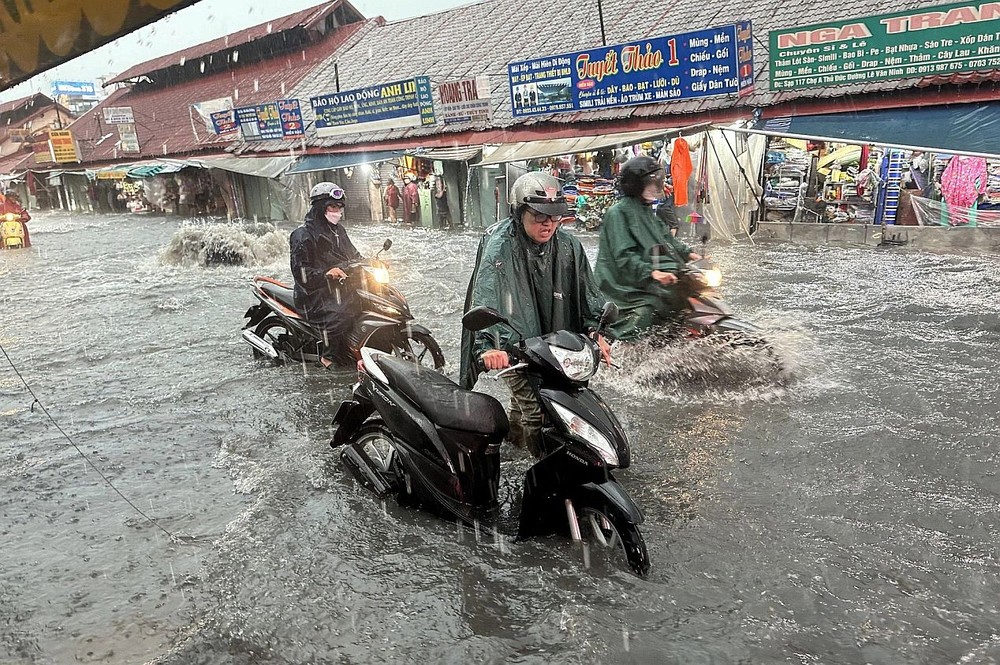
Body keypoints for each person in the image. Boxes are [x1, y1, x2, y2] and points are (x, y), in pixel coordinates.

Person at [459, 172, 611, 457]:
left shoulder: (569, 247)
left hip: (554, 346)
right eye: (539, 216)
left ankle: (510, 450)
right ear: (519, 212)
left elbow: (588, 294)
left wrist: (597, 332)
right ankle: (535, 469)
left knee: (530, 405)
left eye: (554, 217)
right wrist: (490, 346)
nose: (548, 223)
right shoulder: (500, 246)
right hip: (513, 343)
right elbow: (487, 294)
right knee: (537, 412)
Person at [594, 156, 701, 341]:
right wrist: (653, 273)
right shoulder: (617, 213)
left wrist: (690, 254)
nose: (656, 187)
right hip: (622, 285)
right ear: (636, 185)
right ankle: (626, 347)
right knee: (650, 308)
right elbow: (624, 256)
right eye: (651, 183)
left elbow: (667, 239)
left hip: (648, 276)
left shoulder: (647, 211)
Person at [289, 182, 362, 366]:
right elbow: (301, 273)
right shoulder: (302, 235)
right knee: (343, 312)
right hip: (313, 293)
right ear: (321, 208)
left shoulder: (338, 231)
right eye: (332, 207)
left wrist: (371, 263)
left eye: (339, 207)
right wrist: (326, 274)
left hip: (338, 285)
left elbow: (353, 255)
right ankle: (327, 357)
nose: (337, 211)